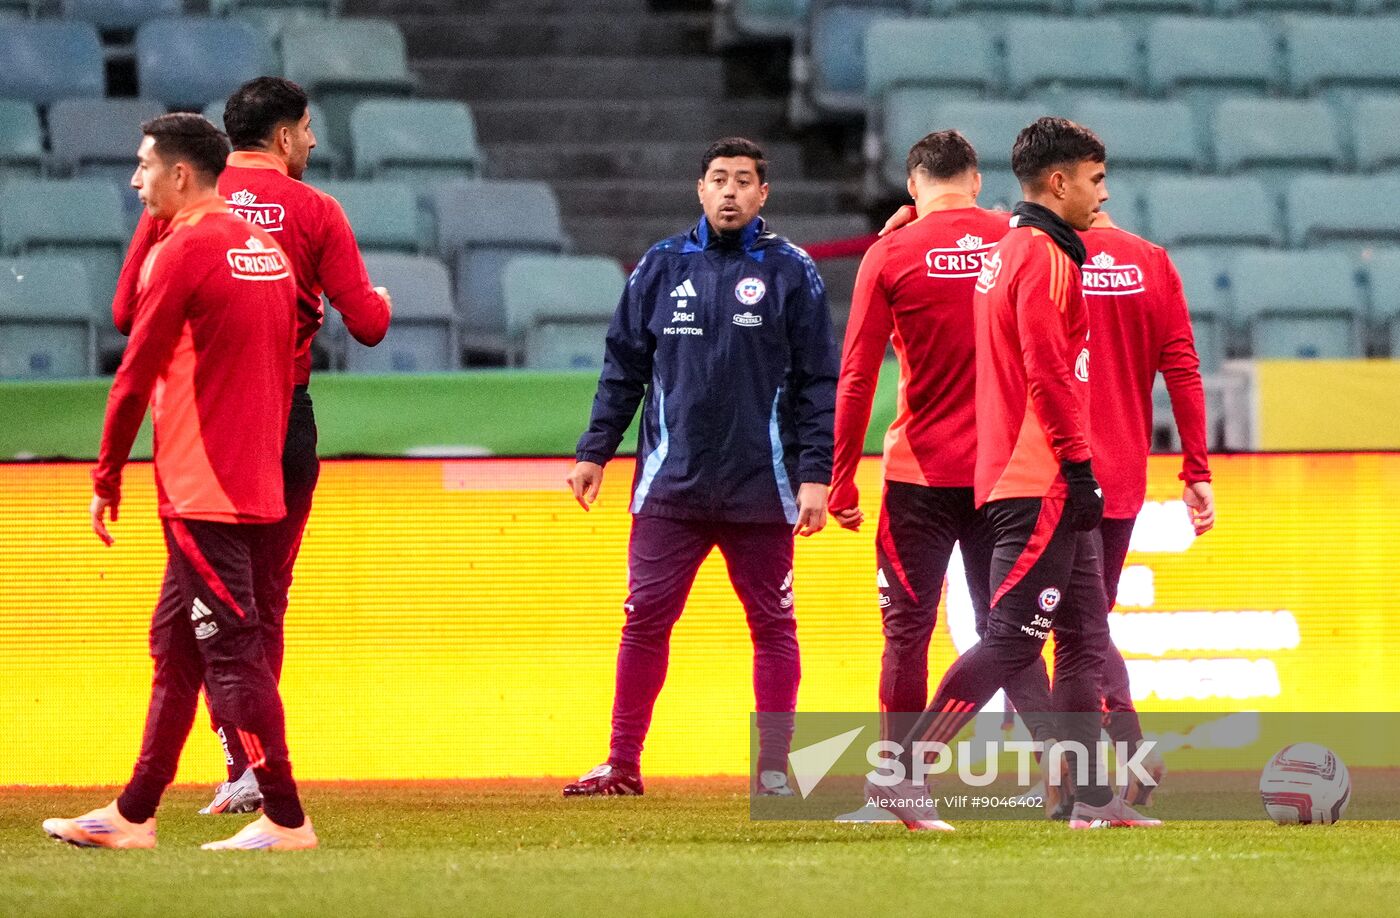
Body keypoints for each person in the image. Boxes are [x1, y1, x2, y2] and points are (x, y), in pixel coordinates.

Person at [111, 76, 393, 815]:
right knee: (259, 603)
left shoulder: (188, 193)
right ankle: (261, 790)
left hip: (199, 427)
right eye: (306, 130)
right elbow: (367, 323)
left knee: (194, 610)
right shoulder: (314, 209)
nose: (312, 143)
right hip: (280, 418)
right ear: (283, 135)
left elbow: (122, 312)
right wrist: (377, 302)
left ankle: (228, 770)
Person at [43, 113, 315, 851]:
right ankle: (134, 813)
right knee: (177, 643)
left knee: (231, 653)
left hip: (203, 488)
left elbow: (135, 372)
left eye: (143, 167)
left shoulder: (185, 249)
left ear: (180, 174)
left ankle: (287, 819)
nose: (136, 181)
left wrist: (105, 475)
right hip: (255, 480)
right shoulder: (265, 250)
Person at [884, 117, 1158, 830]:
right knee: (1011, 638)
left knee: (1085, 640)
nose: (1104, 194)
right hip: (1043, 479)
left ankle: (1091, 797)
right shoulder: (1044, 259)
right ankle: (904, 775)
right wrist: (1079, 464)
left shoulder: (1010, 253)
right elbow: (1048, 372)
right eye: (1096, 180)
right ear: (1060, 182)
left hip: (1028, 473)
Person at [561, 137, 838, 798]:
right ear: (700, 189)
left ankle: (775, 772)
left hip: (762, 488)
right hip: (669, 487)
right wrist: (595, 450)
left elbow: (818, 384)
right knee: (644, 621)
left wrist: (816, 475)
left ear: (764, 194)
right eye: (720, 179)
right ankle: (622, 764)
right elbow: (622, 369)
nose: (731, 191)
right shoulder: (659, 267)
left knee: (773, 627)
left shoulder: (791, 271)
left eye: (744, 181)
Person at [830, 131, 1060, 778]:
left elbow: (855, 377)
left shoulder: (891, 252)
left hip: (919, 476)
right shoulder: (1021, 240)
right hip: (1008, 475)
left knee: (907, 632)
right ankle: (1072, 780)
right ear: (977, 179)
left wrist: (840, 478)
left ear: (913, 185)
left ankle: (897, 785)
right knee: (1012, 635)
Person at [1077, 210, 1216, 802]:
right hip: (1123, 472)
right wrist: (1196, 469)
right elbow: (1182, 368)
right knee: (1086, 621)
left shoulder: (1038, 251)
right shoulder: (1152, 260)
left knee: (1054, 625)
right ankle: (1104, 760)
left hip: (1053, 472)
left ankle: (1106, 758)